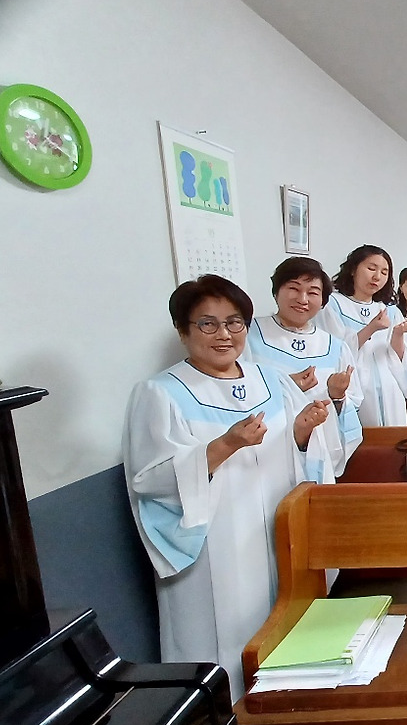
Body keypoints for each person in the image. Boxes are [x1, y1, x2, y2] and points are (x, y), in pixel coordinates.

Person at [123, 275, 340, 698]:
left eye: (234, 322)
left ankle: (282, 709)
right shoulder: (161, 393)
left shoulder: (271, 380)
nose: (223, 334)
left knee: (283, 620)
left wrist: (301, 430)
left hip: (276, 531)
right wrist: (225, 445)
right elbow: (148, 478)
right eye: (207, 324)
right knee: (223, 640)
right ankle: (224, 720)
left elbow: (295, 452)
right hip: (216, 546)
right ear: (183, 330)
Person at [245, 257, 363, 470]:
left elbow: (352, 405)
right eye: (294, 288)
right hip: (264, 451)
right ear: (276, 292)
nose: (302, 299)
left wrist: (337, 396)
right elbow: (235, 391)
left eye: (313, 292)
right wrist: (286, 387)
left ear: (323, 301)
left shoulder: (335, 346)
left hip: (318, 450)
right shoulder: (249, 335)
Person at [315, 245, 396, 351]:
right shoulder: (331, 303)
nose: (377, 277)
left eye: (384, 273)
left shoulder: (389, 310)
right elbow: (333, 350)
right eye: (371, 269)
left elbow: (400, 357)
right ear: (353, 270)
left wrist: (399, 335)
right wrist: (371, 328)